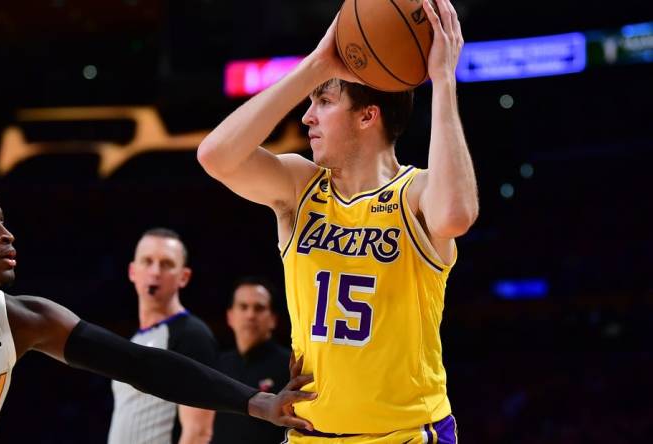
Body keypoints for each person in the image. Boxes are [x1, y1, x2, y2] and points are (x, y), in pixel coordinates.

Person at [197, 0, 477, 441]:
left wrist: (443, 80)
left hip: (405, 434)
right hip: (312, 433)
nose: (307, 116)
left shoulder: (416, 193)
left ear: (368, 115)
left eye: (324, 101)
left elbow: (457, 214)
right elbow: (215, 156)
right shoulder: (299, 186)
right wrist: (315, 67)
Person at [0, 173, 316, 444]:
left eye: (3, 221)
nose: (7, 234)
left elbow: (137, 363)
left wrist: (257, 401)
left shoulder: (21, 320)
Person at [108, 228, 218, 444]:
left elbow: (198, 432)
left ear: (184, 277)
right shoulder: (136, 338)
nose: (155, 272)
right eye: (147, 261)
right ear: (132, 271)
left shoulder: (192, 335)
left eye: (166, 264)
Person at [212, 277, 290, 444]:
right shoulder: (217, 366)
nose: (250, 315)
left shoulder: (290, 366)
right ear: (230, 317)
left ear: (273, 319)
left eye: (259, 308)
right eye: (243, 307)